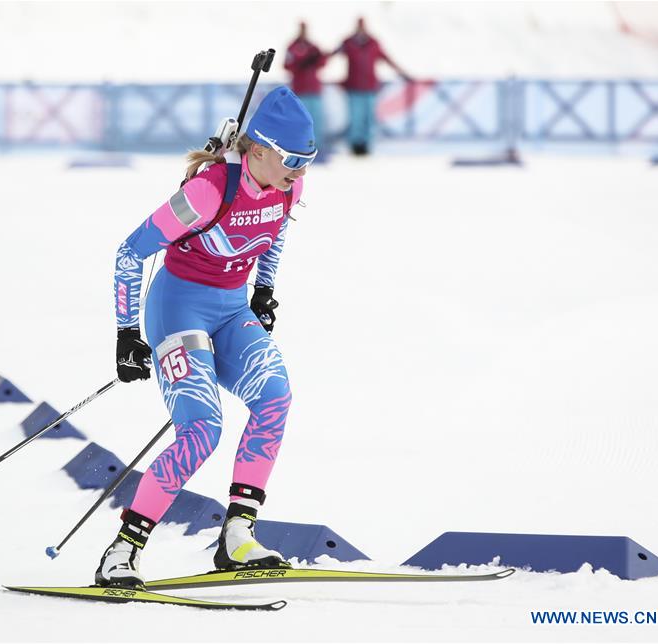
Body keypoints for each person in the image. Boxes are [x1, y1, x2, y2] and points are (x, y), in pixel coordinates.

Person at [97, 86, 317, 588]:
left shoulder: (288, 185)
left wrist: (263, 290)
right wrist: (127, 333)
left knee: (275, 397)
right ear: (258, 150)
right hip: (178, 311)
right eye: (292, 159)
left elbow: (276, 228)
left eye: (309, 160)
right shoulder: (208, 191)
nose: (300, 171)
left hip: (231, 309)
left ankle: (238, 536)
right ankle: (122, 551)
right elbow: (130, 252)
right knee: (202, 431)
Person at [332, 17, 412, 155]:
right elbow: (331, 55)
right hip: (353, 88)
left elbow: (387, 58)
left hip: (369, 88)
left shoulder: (373, 43)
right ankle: (355, 145)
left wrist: (402, 73)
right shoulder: (348, 42)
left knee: (369, 118)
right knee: (355, 118)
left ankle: (367, 144)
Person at [284, 21, 329, 160]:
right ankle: (300, 148)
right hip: (300, 90)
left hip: (314, 90)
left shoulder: (313, 47)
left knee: (316, 121)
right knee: (301, 121)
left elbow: (323, 63)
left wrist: (318, 57)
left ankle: (317, 148)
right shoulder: (292, 47)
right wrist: (301, 62)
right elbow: (287, 65)